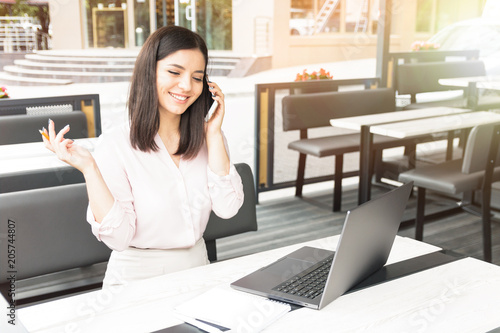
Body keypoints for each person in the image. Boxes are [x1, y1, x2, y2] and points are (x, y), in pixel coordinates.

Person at [41, 26, 244, 288]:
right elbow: (118, 238)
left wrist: (214, 135)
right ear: (150, 72)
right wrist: (90, 169)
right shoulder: (116, 144)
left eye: (197, 77)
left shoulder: (210, 137)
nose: (186, 86)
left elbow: (228, 209)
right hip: (135, 283)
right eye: (174, 72)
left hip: (198, 274)